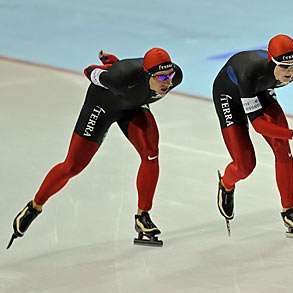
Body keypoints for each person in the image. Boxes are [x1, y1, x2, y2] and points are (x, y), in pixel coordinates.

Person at [7, 48, 183, 249]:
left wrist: (117, 66)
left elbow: (138, 85)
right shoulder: (120, 79)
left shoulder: (175, 77)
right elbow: (89, 71)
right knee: (73, 166)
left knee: (151, 154)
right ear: (146, 74)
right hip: (101, 105)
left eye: (169, 75)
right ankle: (34, 206)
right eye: (161, 77)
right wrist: (109, 70)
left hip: (132, 106)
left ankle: (142, 216)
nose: (167, 82)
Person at [212, 34, 293, 238]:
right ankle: (226, 184)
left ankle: (289, 212)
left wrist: (288, 137)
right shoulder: (249, 72)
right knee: (244, 166)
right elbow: (259, 125)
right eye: (284, 66)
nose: (290, 71)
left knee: (283, 151)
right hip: (229, 96)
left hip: (261, 90)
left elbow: (273, 84)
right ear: (272, 62)